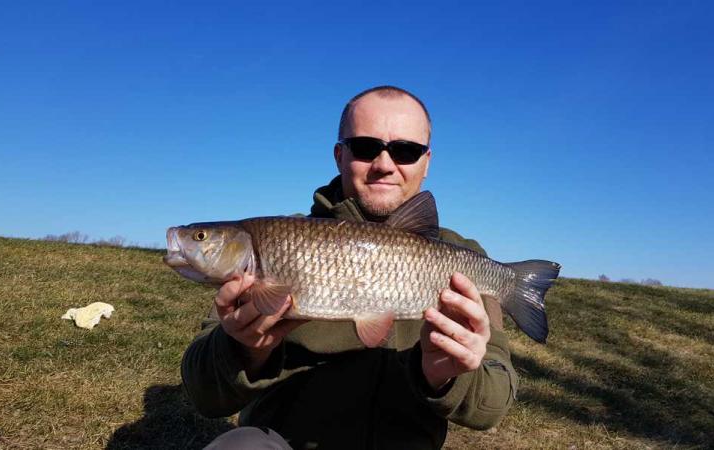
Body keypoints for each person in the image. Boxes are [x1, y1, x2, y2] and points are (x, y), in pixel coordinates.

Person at [183, 86, 519, 450]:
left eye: (406, 151)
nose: (384, 165)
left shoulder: (465, 258)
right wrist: (243, 349)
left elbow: (493, 404)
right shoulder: (275, 242)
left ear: (426, 163)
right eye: (365, 147)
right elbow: (203, 395)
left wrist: (446, 376)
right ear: (339, 155)